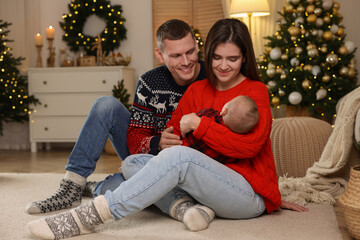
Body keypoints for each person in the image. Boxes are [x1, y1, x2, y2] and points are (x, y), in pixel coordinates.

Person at [28, 18, 308, 240]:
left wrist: (199, 126)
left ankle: (90, 216)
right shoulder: (197, 89)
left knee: (172, 160)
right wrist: (177, 143)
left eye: (232, 59)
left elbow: (249, 147)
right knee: (135, 163)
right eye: (217, 58)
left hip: (246, 195)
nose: (223, 66)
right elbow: (174, 137)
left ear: (244, 58)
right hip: (203, 188)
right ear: (208, 55)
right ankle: (185, 207)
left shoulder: (255, 91)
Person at [25, 19, 206, 214]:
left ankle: (99, 187)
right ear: (160, 55)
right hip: (146, 161)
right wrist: (157, 143)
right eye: (176, 55)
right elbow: (135, 137)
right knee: (106, 105)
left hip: (190, 167)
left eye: (190, 52)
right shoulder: (150, 82)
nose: (186, 62)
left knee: (118, 188)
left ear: (197, 46)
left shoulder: (211, 77)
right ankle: (72, 186)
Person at [182, 95, 259, 164]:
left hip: (183, 151)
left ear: (224, 111)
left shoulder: (210, 115)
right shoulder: (232, 151)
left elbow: (186, 127)